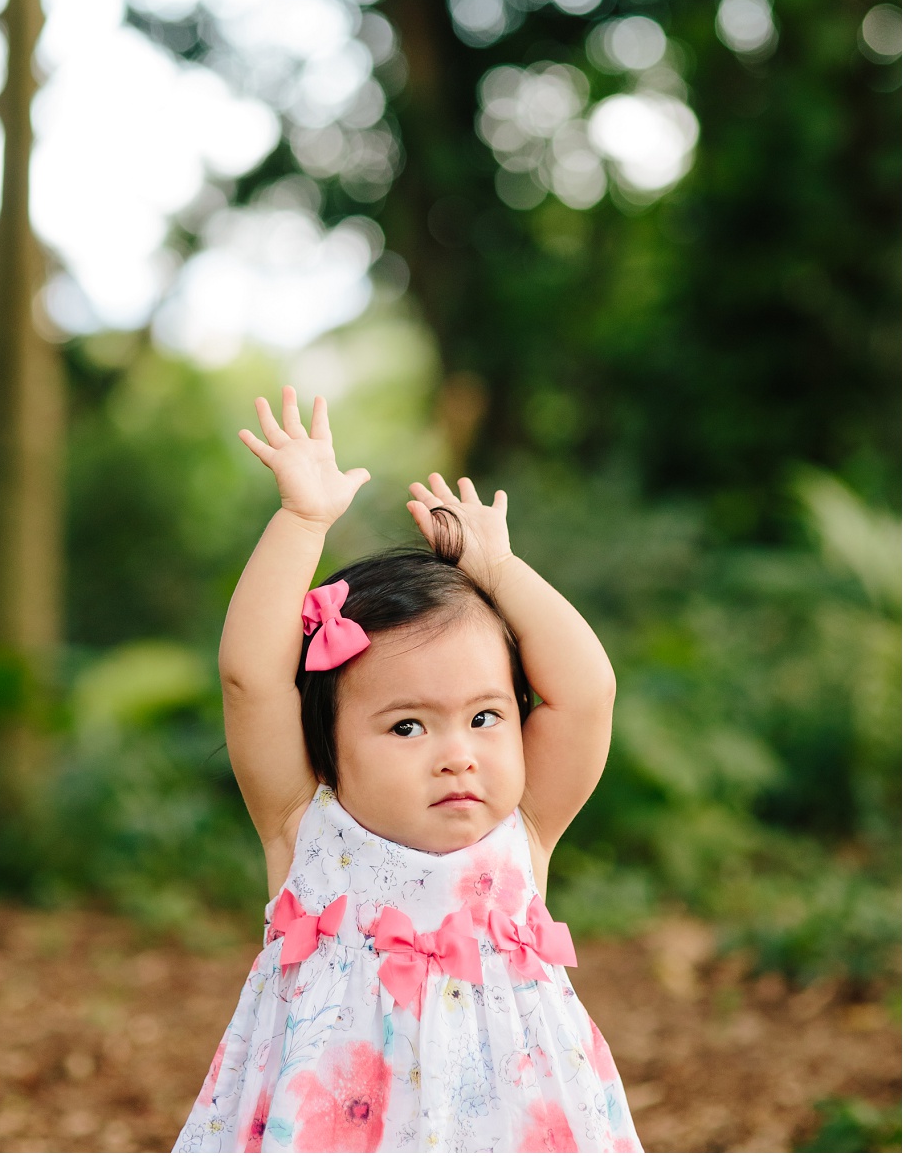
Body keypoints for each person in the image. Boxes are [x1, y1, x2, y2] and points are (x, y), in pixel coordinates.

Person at [174, 388, 641, 1155]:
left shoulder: (522, 832)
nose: (456, 751)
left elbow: (587, 691)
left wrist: (498, 565)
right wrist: (302, 521)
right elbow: (251, 678)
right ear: (326, 747)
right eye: (408, 724)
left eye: (485, 716)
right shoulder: (306, 825)